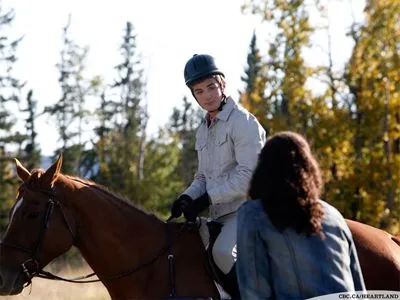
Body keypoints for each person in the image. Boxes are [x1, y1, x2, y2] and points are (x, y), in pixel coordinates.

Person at [170, 54, 266, 282]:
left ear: (222, 84)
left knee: (222, 253)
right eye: (199, 91)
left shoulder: (244, 122)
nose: (207, 96)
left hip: (247, 211)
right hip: (218, 215)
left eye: (211, 87)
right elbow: (202, 176)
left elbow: (248, 177)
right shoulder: (203, 130)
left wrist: (206, 200)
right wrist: (186, 197)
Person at [236, 131, 366, 299]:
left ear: (263, 170)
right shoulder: (335, 216)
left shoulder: (253, 214)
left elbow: (254, 292)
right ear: (309, 167)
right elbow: (360, 291)